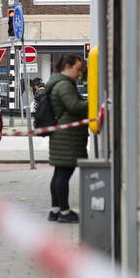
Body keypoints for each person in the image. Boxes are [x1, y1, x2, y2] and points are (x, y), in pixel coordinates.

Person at [45, 55, 88, 223]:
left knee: (59, 174)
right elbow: (74, 106)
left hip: (63, 136)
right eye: (78, 69)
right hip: (67, 137)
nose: (79, 74)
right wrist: (94, 101)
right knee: (63, 174)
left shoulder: (57, 82)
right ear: (67, 66)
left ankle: (55, 210)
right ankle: (64, 211)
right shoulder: (64, 85)